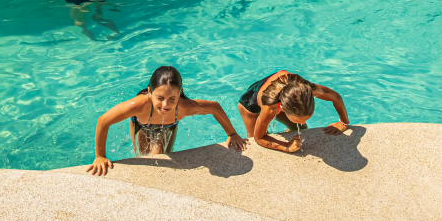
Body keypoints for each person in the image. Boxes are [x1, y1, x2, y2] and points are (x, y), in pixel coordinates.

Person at [86, 66, 248, 174]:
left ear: (180, 93)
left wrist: (232, 133)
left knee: (163, 155)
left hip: (169, 125)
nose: (165, 105)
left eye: (172, 98)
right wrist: (100, 155)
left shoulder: (184, 107)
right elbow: (103, 121)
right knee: (142, 155)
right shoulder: (140, 106)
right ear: (149, 92)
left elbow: (215, 107)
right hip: (141, 124)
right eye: (160, 98)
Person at [237, 70, 349, 153]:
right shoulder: (270, 108)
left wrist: (343, 122)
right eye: (298, 119)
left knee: (301, 129)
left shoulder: (308, 88)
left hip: (279, 90)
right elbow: (259, 138)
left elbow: (336, 96)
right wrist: (286, 146)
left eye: (306, 119)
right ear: (283, 109)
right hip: (250, 103)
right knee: (253, 139)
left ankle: (286, 129)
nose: (302, 122)